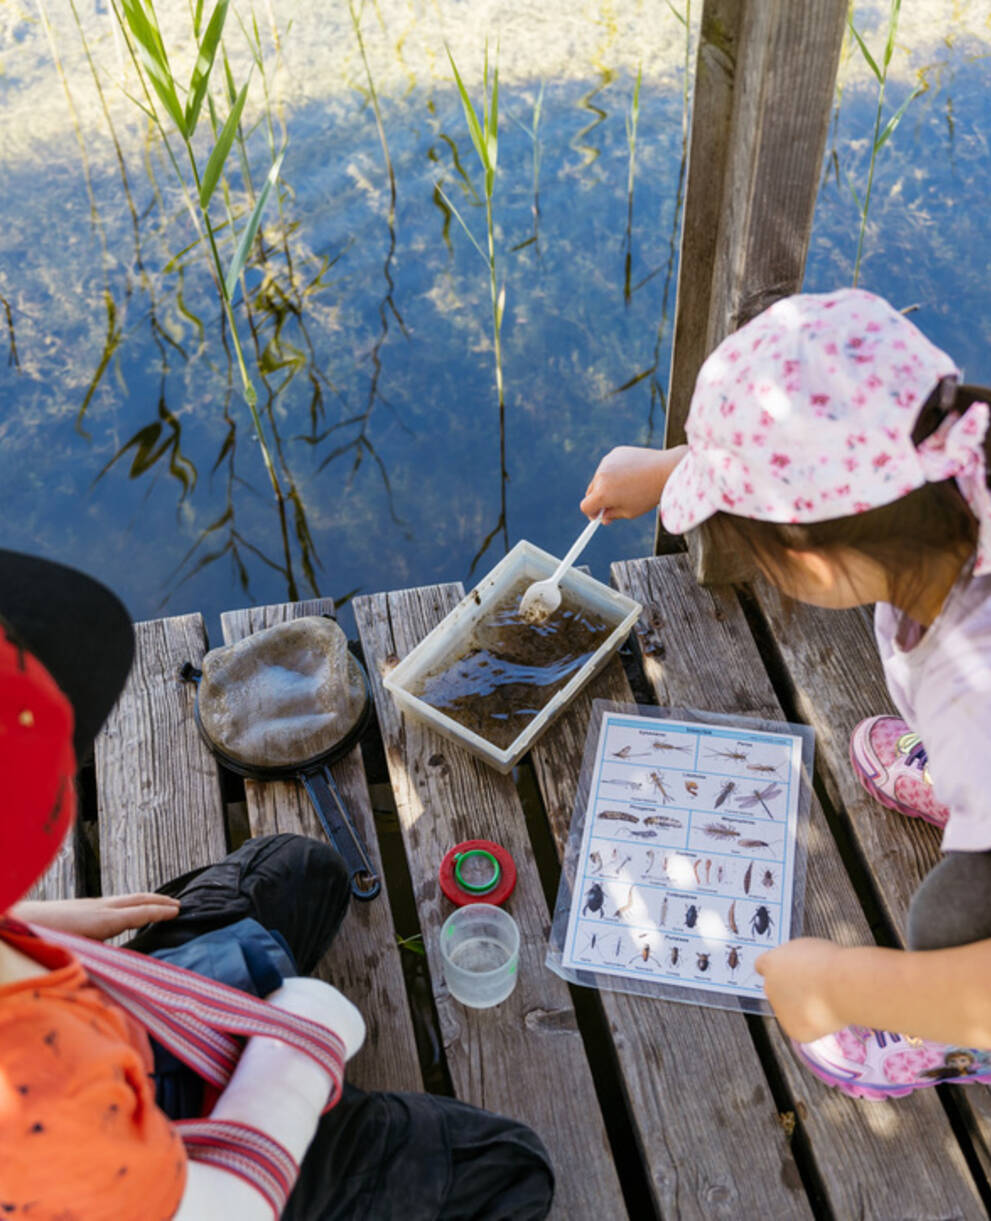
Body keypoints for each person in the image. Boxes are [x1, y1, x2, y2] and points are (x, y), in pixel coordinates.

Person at [0, 549, 554, 1216]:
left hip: (120, 1016)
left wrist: (36, 919)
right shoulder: (33, 1100)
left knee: (299, 868)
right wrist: (297, 1045)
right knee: (511, 1168)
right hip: (181, 1169)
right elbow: (224, 1208)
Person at [581, 287, 991, 1100]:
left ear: (802, 564)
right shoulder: (948, 463)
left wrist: (842, 979)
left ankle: (952, 1046)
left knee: (945, 927)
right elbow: (835, 439)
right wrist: (670, 472)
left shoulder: (973, 697)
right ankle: (965, 792)